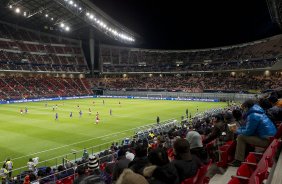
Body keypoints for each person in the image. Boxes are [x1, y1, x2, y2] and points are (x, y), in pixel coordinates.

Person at [230, 99, 277, 167]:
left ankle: (239, 160)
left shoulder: (253, 115)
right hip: (269, 138)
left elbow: (248, 132)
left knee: (241, 137)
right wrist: (239, 129)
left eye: (243, 108)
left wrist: (237, 131)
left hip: (267, 140)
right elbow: (248, 128)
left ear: (246, 107)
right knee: (242, 135)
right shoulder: (257, 112)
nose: (242, 110)